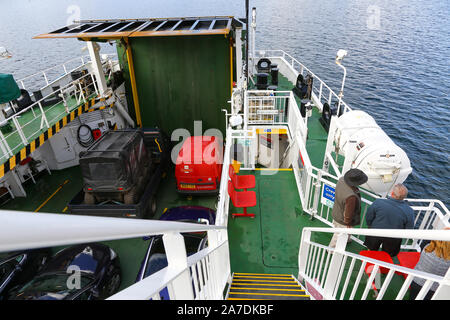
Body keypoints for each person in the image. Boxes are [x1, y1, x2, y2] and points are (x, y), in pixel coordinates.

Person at [364, 184, 415, 257]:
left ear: (392, 193)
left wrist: (370, 226)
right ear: (404, 197)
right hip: (393, 237)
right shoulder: (409, 211)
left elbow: (369, 217)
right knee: (388, 255)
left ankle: (369, 263)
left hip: (375, 232)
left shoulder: (378, 202)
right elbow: (409, 229)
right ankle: (383, 265)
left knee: (371, 249)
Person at [329, 168, 368, 248]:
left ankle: (346, 239)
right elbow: (348, 214)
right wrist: (348, 224)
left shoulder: (341, 180)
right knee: (338, 235)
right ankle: (331, 249)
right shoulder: (351, 197)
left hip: (337, 211)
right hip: (343, 220)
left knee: (338, 230)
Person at [409, 235, 450, 300]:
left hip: (417, 280)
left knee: (412, 297)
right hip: (432, 288)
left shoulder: (427, 249)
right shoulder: (448, 262)